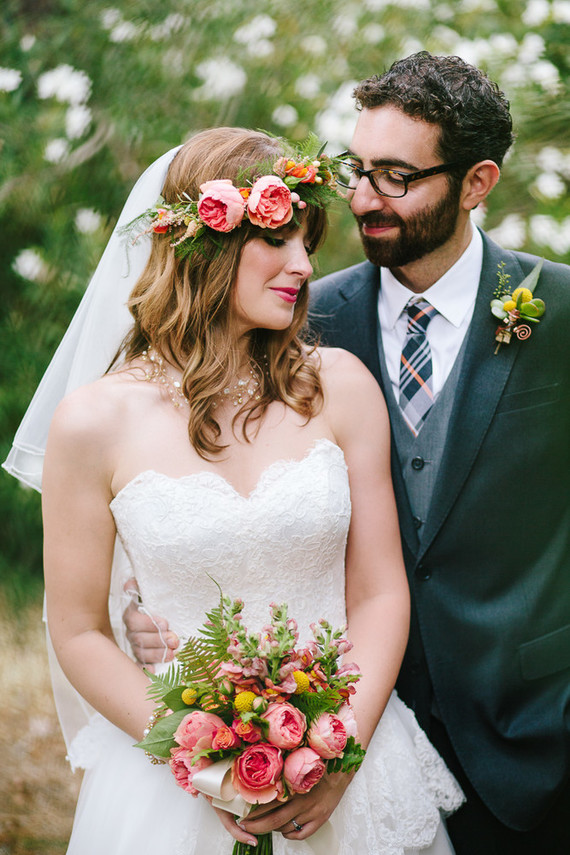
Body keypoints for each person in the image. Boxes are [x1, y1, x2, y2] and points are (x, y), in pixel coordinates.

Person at [126, 55, 570, 853]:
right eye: (358, 170)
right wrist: (144, 598)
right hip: (342, 735)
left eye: (396, 176)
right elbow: (202, 467)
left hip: (536, 743)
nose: (363, 198)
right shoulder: (298, 317)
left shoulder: (564, 315)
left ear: (477, 182)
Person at [4, 127, 463, 855]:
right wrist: (206, 758)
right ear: (206, 246)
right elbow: (80, 631)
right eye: (280, 240)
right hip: (171, 781)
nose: (304, 265)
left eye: (307, 242)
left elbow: (379, 593)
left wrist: (339, 753)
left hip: (349, 762)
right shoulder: (93, 421)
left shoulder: (341, 388)